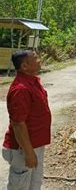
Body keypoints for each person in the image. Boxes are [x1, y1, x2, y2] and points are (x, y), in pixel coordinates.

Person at [2, 50, 51, 190]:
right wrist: (29, 153)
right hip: (23, 148)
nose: (40, 60)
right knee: (19, 186)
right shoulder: (21, 89)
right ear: (24, 66)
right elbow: (18, 124)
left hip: (36, 144)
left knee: (35, 184)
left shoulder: (33, 81)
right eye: (36, 58)